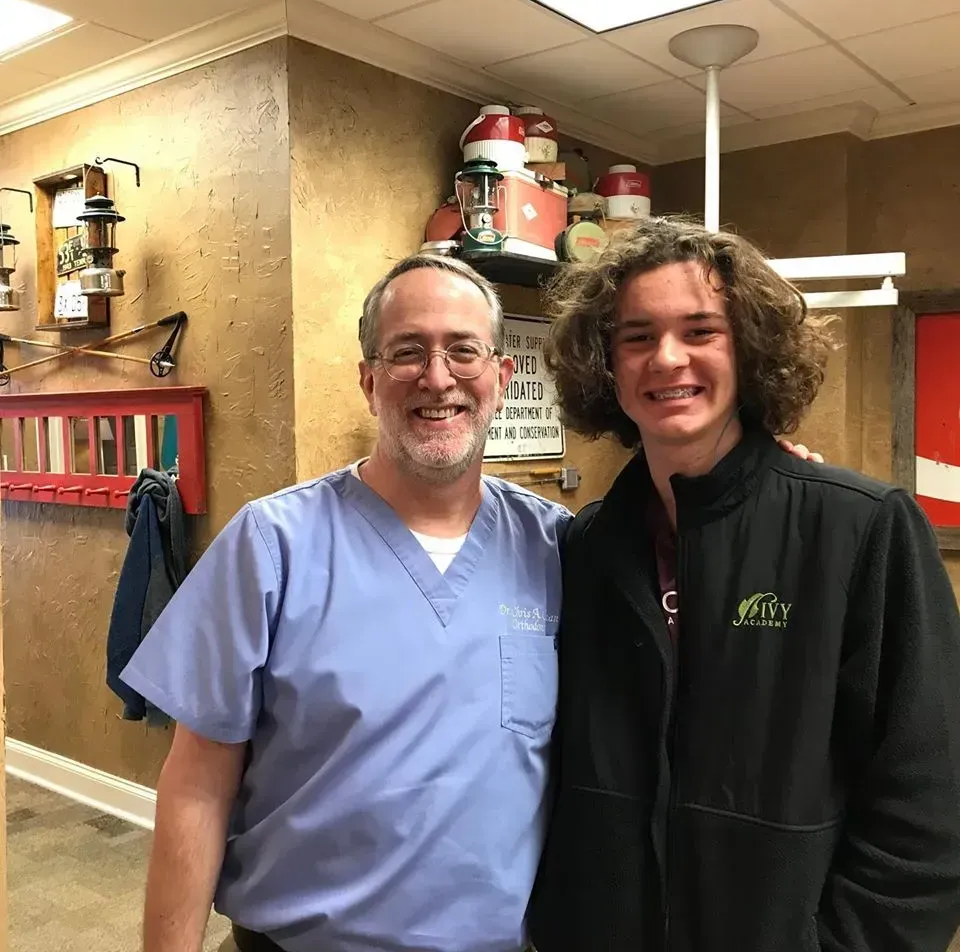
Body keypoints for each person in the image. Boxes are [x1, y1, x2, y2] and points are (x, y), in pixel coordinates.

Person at [527, 216, 960, 952]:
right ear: (605, 364)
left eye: (701, 331)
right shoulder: (585, 548)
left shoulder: (860, 530)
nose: (667, 359)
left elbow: (927, 803)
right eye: (637, 336)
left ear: (749, 347)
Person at [119, 253, 571, 952]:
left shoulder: (557, 549)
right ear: (369, 381)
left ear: (501, 378)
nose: (438, 377)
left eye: (463, 350)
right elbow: (197, 785)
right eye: (407, 352)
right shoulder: (274, 546)